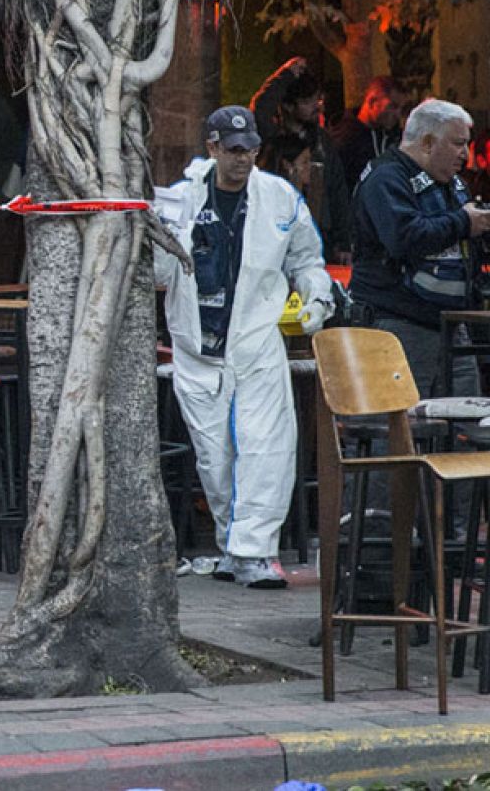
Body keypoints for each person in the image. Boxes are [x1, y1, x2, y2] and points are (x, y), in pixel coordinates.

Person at [153, 106, 333, 589]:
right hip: (198, 348)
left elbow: (306, 258)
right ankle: (234, 546)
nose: (243, 158)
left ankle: (256, 551)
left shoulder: (279, 197)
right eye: (233, 150)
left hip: (257, 340)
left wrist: (317, 298)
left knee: (266, 447)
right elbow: (155, 273)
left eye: (250, 149)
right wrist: (156, 230)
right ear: (212, 148)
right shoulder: (182, 201)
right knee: (215, 458)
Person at [349, 98, 487, 399]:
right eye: (458, 143)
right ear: (427, 142)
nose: (465, 154)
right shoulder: (386, 178)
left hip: (452, 325)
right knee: (401, 420)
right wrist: (464, 222)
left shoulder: (453, 184)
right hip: (398, 323)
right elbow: (403, 237)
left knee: (466, 416)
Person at [250, 58, 353, 264]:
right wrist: (284, 76)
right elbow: (260, 108)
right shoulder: (271, 137)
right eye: (307, 102)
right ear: (288, 106)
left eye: (318, 100)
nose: (317, 107)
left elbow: (337, 190)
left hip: (319, 233)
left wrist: (343, 241)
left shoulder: (322, 141)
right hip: (276, 234)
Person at [331, 76, 406, 195]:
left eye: (401, 109)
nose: (397, 114)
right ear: (372, 102)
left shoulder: (394, 138)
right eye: (392, 106)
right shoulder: (345, 140)